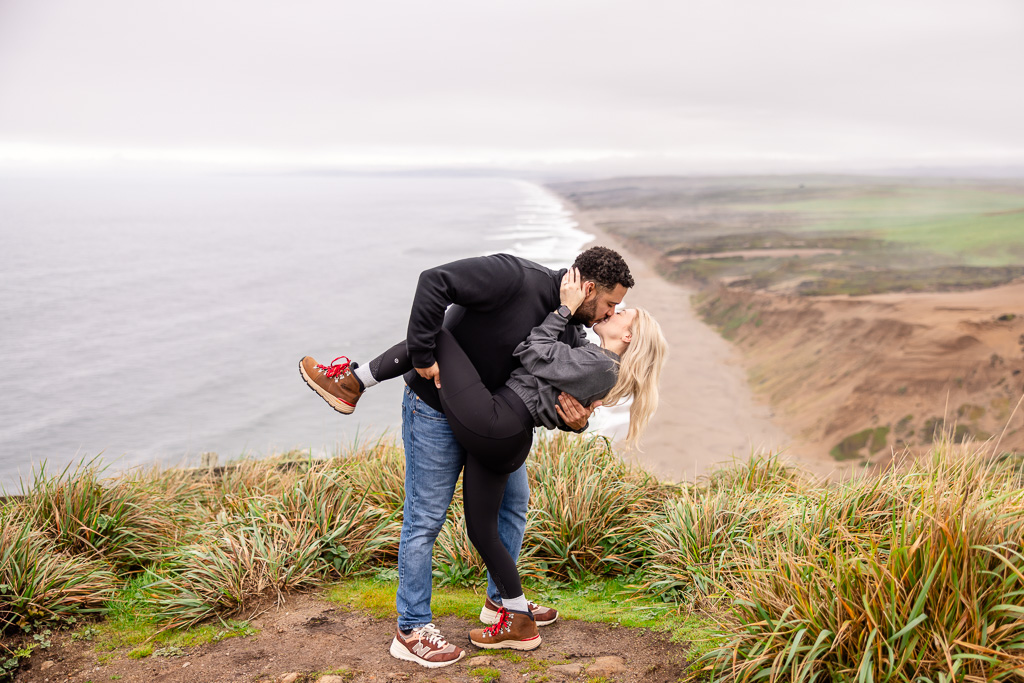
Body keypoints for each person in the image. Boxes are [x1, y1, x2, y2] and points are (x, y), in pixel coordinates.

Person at [303, 247, 642, 667]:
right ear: (588, 288)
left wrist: (577, 420)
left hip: (494, 420)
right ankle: (412, 627)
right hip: (435, 410)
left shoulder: (570, 326)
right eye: (610, 303)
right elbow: (434, 281)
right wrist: (424, 357)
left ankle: (504, 604)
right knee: (426, 518)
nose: (608, 313)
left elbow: (559, 385)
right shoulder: (513, 275)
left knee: (513, 509)